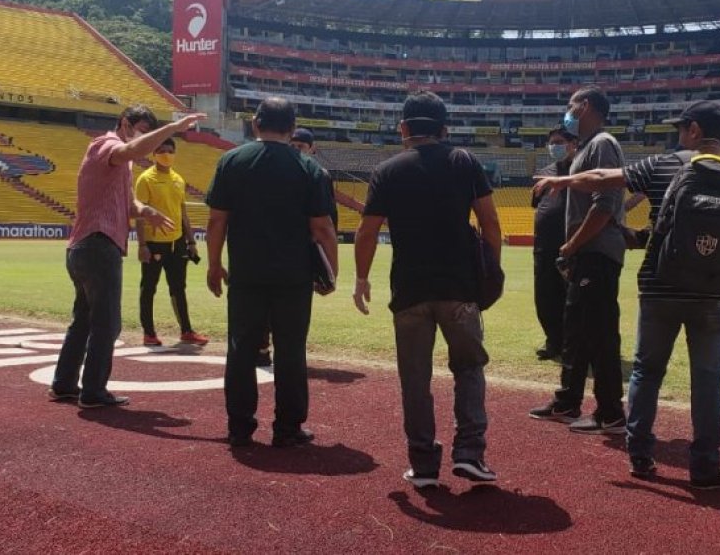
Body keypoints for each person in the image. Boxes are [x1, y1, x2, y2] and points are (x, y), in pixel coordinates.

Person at [535, 100, 720, 490]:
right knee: (708, 382)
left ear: (694, 130)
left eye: (682, 128)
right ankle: (706, 467)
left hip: (660, 286)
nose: (678, 134)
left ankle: (640, 456)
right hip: (711, 293)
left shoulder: (662, 165)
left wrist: (562, 181)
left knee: (646, 371)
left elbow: (605, 178)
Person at [353, 90, 503, 489]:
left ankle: (422, 464)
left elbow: (367, 231)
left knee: (415, 379)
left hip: (409, 290)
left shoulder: (387, 170)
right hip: (459, 288)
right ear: (445, 129)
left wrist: (361, 278)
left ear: (403, 129)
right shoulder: (464, 161)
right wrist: (493, 269)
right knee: (469, 368)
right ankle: (470, 453)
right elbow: (489, 221)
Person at [50, 106, 206, 408]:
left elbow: (124, 202)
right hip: (98, 245)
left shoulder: (118, 163)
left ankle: (64, 383)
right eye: (143, 130)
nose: (148, 141)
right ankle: (93, 391)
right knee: (106, 323)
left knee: (83, 320)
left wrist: (145, 210)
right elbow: (131, 148)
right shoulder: (106, 146)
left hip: (85, 246)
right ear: (125, 123)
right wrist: (172, 129)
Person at [205, 97, 338, 447]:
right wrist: (331, 274)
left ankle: (240, 426)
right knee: (291, 350)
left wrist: (214, 263)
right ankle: (288, 427)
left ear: (254, 123)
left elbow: (217, 219)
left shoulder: (231, 160)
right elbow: (322, 227)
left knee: (241, 349)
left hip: (246, 273)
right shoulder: (307, 167)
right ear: (292, 128)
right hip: (293, 277)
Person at [529, 86, 628, 436]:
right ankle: (569, 400)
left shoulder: (602, 144)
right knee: (576, 330)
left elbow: (604, 205)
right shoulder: (588, 147)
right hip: (588, 253)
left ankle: (611, 413)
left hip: (596, 252)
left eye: (572, 107)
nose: (568, 113)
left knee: (599, 332)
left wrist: (570, 246)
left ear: (585, 106)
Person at [247, 128, 340, 368]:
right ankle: (263, 347)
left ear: (312, 148)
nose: (297, 149)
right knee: (268, 303)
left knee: (295, 306)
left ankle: (287, 351)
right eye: (294, 145)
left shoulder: (320, 174)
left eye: (302, 146)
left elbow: (328, 216)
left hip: (303, 248)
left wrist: (327, 254)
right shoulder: (279, 168)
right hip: (275, 245)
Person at [135, 138, 210, 348]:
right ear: (153, 154)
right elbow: (139, 215)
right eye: (161, 151)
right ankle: (149, 333)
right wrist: (142, 245)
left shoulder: (178, 179)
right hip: (154, 242)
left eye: (170, 151)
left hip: (177, 243)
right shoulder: (146, 179)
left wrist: (191, 240)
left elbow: (182, 212)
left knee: (179, 287)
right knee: (149, 287)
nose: (166, 154)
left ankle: (187, 331)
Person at [531, 126, 578, 361]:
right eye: (552, 143)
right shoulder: (544, 173)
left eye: (560, 141)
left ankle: (573, 345)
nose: (555, 146)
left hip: (571, 246)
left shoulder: (579, 173)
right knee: (545, 296)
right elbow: (538, 206)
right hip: (543, 247)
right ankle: (553, 342)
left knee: (571, 298)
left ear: (573, 144)